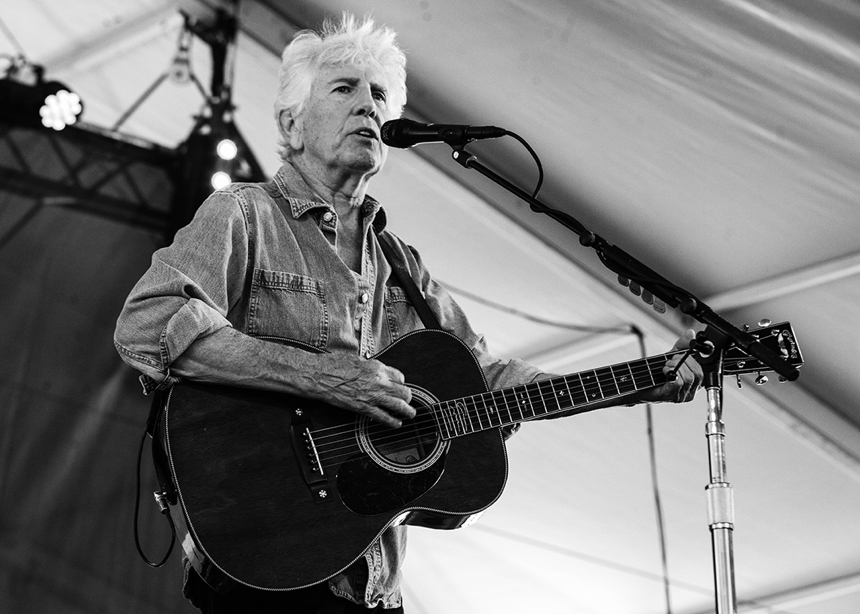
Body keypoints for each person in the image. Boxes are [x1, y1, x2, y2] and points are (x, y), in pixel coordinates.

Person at [114, 13, 702, 614]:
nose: (369, 107)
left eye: (379, 96)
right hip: (265, 558)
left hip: (373, 582)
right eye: (344, 89)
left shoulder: (399, 263)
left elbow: (486, 379)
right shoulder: (244, 215)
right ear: (291, 122)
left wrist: (636, 384)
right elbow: (148, 324)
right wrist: (320, 376)